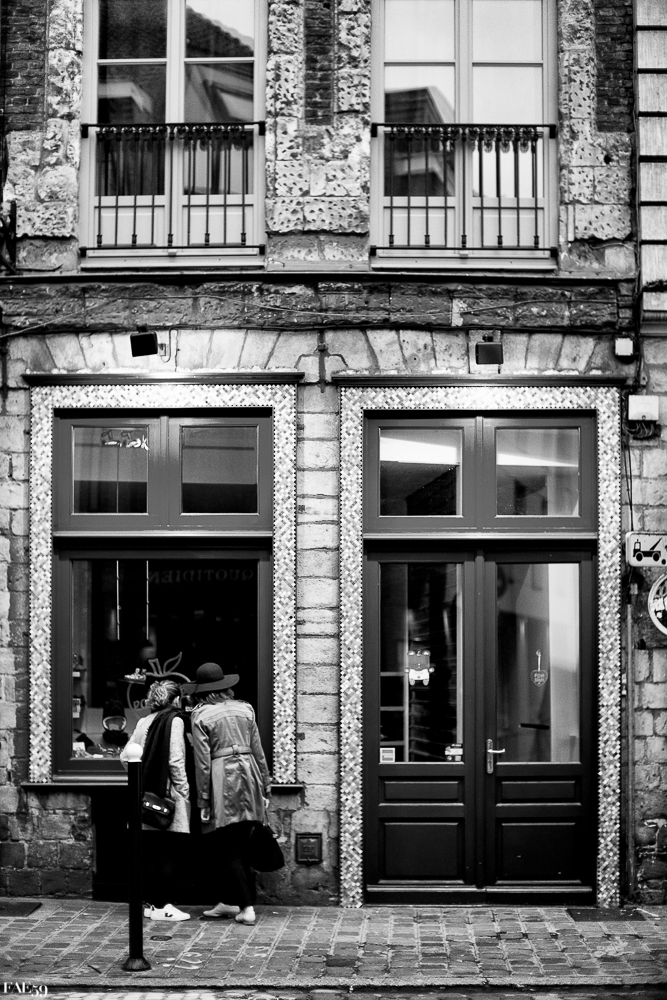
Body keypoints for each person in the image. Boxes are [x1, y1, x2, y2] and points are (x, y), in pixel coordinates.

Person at [189, 662, 271, 926]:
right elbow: (258, 750)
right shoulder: (245, 709)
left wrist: (203, 800)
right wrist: (265, 784)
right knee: (241, 841)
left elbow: (202, 763)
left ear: (202, 692)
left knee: (227, 846)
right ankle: (228, 902)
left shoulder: (200, 716)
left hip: (221, 778)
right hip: (249, 773)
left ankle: (246, 908)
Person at [120, 679, 191, 922]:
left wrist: (143, 776)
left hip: (144, 796)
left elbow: (125, 757)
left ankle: (150, 905)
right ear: (176, 699)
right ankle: (164, 907)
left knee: (150, 853)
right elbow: (175, 760)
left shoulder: (143, 722)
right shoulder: (175, 721)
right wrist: (184, 792)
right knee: (168, 852)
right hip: (168, 796)